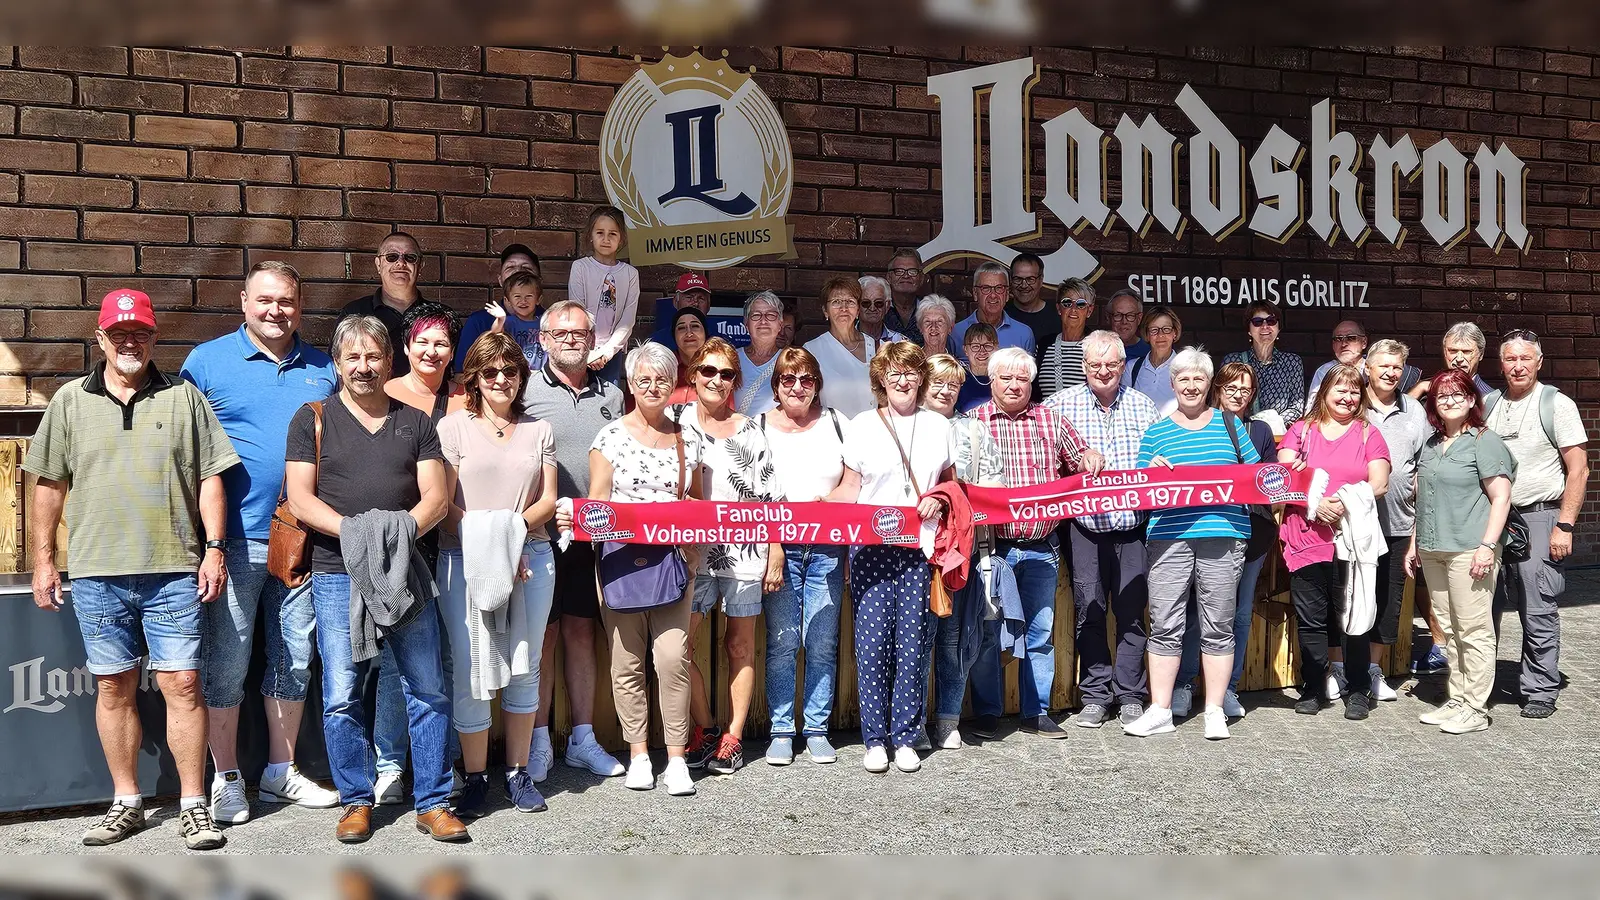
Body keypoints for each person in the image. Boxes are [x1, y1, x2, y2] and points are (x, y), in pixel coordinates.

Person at [26, 289, 240, 850]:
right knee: (114, 687)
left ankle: (194, 804)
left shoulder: (184, 398)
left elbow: (209, 477)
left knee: (184, 684)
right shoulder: (69, 402)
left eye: (140, 333)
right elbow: (48, 484)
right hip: (97, 572)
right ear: (100, 338)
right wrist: (44, 560)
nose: (130, 342)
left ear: (153, 337)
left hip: (174, 568)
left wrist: (215, 547)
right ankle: (127, 801)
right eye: (118, 333)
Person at [283, 315, 465, 844]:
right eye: (352, 358)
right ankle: (356, 800)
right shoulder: (311, 418)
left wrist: (395, 534)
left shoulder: (417, 421)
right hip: (337, 572)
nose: (363, 367)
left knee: (426, 686)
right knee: (343, 691)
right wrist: (359, 535)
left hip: (408, 571)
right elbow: (300, 497)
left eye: (373, 357)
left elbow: (435, 498)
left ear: (390, 361)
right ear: (337, 364)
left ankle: (433, 802)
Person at [180, 262, 340, 826]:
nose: (277, 311)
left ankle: (280, 770)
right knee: (226, 661)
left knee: (295, 657)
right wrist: (206, 541)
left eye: (288, 302)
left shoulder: (324, 367)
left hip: (303, 538)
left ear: (301, 305)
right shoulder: (206, 362)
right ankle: (225, 778)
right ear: (243, 300)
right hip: (233, 540)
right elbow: (184, 450)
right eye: (265, 300)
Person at [566, 342, 705, 796]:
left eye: (661, 379)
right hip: (620, 562)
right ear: (630, 384)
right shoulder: (608, 438)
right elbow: (599, 502)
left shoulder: (690, 438)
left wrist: (693, 550)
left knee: (672, 660)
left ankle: (678, 757)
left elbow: (699, 504)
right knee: (626, 663)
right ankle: (640, 754)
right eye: (643, 379)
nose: (652, 387)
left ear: (673, 384)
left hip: (674, 563)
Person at [434, 332, 559, 816]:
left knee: (525, 666)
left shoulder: (539, 430)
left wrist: (511, 537)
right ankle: (477, 776)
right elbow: (446, 505)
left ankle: (518, 772)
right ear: (475, 378)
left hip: (532, 558)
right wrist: (496, 544)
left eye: (510, 371)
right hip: (463, 560)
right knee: (470, 671)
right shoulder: (453, 429)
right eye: (491, 372)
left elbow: (547, 500)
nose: (502, 379)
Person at [828, 342, 954, 774]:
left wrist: (939, 499)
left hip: (920, 550)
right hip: (871, 551)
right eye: (894, 372)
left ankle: (905, 737)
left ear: (921, 379)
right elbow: (849, 488)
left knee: (913, 646)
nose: (903, 380)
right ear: (881, 378)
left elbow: (952, 486)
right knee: (872, 645)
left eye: (911, 372)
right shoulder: (863, 425)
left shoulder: (939, 426)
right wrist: (811, 509)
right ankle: (875, 739)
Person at [969, 348, 1102, 740]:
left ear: (1031, 383)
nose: (1014, 385)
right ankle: (988, 714)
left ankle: (1036, 712)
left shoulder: (1051, 419)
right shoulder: (972, 423)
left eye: (1021, 379)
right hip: (993, 549)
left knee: (1041, 632)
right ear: (990, 381)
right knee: (989, 632)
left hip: (1042, 545)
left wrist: (1090, 456)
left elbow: (1081, 457)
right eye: (1006, 378)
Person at [1125, 347, 1258, 741]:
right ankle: (1160, 710)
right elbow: (1138, 489)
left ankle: (1214, 709)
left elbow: (1256, 479)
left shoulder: (1231, 425)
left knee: (1218, 625)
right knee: (1165, 624)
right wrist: (1149, 472)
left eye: (1199, 378)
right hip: (1169, 538)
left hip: (1224, 534)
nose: (1191, 385)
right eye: (1183, 378)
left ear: (1208, 384)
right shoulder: (1157, 432)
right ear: (1173, 384)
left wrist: (1293, 477)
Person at [521, 301, 629, 781]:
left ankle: (582, 738)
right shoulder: (522, 389)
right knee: (542, 636)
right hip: (538, 535)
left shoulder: (614, 391)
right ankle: (539, 738)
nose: (571, 339)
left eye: (580, 332)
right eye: (561, 332)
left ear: (592, 339)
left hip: (592, 537)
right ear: (543, 339)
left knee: (582, 633)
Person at [674, 338, 783, 775]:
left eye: (726, 374)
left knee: (739, 645)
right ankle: (704, 729)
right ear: (693, 375)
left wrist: (775, 550)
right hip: (691, 552)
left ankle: (733, 738)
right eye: (708, 371)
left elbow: (772, 496)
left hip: (745, 551)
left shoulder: (752, 430)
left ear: (735, 380)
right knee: (679, 646)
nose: (717, 380)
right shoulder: (674, 424)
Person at [372, 300, 465, 802]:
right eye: (422, 341)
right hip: (395, 546)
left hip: (447, 544)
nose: (432, 350)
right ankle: (390, 764)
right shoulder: (381, 394)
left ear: (453, 351)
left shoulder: (462, 399)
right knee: (394, 661)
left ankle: (443, 761)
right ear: (406, 347)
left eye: (442, 342)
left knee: (445, 657)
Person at [1047, 331, 1160, 728]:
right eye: (1095, 365)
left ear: (1123, 365)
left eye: (1112, 364)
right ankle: (1095, 694)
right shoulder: (1060, 405)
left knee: (1131, 613)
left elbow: (1159, 461)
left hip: (1133, 527)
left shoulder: (1145, 407)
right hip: (1085, 527)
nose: (1104, 371)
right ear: (1083, 367)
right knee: (1089, 611)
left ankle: (1130, 694)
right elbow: (1047, 460)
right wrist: (1075, 459)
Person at [1278, 363, 1392, 722]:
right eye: (1339, 390)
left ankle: (1357, 690)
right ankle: (1313, 688)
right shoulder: (1301, 431)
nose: (1347, 397)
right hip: (1306, 537)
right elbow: (1282, 477)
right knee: (1312, 619)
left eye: (1354, 391)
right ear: (1324, 392)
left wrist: (1343, 500)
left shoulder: (1367, 434)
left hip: (1352, 541)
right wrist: (1316, 503)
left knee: (1354, 615)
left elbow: (1380, 483)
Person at [1486, 329, 1589, 719]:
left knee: (1537, 608)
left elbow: (1577, 469)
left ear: (1538, 362)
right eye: (1510, 359)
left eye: (1525, 358)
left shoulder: (1556, 404)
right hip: (1494, 521)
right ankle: (1482, 683)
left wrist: (1565, 524)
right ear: (1501, 364)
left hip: (1539, 515)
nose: (1518, 366)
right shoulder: (1491, 403)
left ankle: (1540, 688)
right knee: (1486, 607)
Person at [1406, 369, 1514, 734]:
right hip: (1433, 548)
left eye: (1457, 394)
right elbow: (1423, 498)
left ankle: (1476, 708)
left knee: (1474, 629)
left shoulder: (1485, 441)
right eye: (1441, 396)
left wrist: (1487, 546)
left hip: (1470, 548)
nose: (1449, 400)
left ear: (1471, 399)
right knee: (1448, 629)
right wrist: (1413, 544)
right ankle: (1458, 697)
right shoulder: (1433, 444)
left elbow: (1501, 497)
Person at [1169, 360, 1278, 720]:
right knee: (1195, 612)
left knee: (1240, 613)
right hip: (1207, 529)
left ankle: (1227, 687)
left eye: (1245, 389)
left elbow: (1269, 478)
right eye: (1231, 387)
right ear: (1218, 389)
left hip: (1252, 530)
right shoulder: (1206, 424)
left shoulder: (1260, 431)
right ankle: (1186, 683)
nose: (1238, 395)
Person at [759, 348, 850, 765]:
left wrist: (830, 500)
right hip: (779, 548)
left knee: (822, 641)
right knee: (782, 641)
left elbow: (856, 476)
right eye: (788, 379)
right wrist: (774, 545)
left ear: (817, 384)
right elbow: (754, 491)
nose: (798, 387)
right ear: (776, 386)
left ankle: (816, 728)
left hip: (828, 548)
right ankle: (781, 729)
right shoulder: (757, 425)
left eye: (807, 379)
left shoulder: (836, 422)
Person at [921, 354, 1005, 750]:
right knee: (916, 640)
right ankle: (913, 720)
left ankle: (947, 720)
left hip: (963, 550)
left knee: (956, 638)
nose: (944, 390)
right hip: (915, 549)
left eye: (953, 385)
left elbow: (994, 486)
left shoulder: (974, 430)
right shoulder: (907, 426)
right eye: (938, 382)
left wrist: (963, 507)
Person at [1360, 340, 1433, 703]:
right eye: (1383, 366)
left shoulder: (1414, 410)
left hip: (1400, 523)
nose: (1390, 372)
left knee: (1388, 603)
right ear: (1368, 369)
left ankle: (1374, 670)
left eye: (1397, 367)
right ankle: (1344, 670)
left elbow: (1423, 463)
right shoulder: (1351, 403)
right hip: (1354, 526)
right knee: (1351, 598)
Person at [567, 205, 639, 386]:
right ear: (590, 236)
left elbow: (627, 319)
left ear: (621, 239)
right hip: (582, 349)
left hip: (612, 352)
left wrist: (607, 352)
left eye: (613, 234)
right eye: (600, 233)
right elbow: (577, 312)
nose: (606, 239)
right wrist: (588, 351)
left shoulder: (630, 274)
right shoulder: (580, 268)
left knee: (609, 403)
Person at [335, 232, 425, 375]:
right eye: (391, 257)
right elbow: (339, 370)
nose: (400, 263)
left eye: (410, 257)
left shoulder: (437, 316)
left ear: (420, 265)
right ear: (378, 264)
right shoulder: (353, 313)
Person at [804, 276, 880, 417]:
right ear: (825, 311)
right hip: (832, 433)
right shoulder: (811, 350)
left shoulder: (876, 347)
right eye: (836, 302)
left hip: (870, 433)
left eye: (850, 302)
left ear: (857, 311)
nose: (843, 308)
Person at [1221, 300, 1305, 427]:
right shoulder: (1232, 360)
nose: (1265, 326)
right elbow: (1222, 402)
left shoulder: (1292, 362)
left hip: (1277, 438)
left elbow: (1296, 408)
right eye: (1257, 322)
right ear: (1248, 330)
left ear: (1278, 327)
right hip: (1240, 432)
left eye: (1271, 321)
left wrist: (1268, 424)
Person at [454, 270, 544, 373]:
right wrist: (500, 319)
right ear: (507, 301)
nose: (523, 301)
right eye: (517, 296)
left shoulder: (545, 322)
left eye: (529, 296)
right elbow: (495, 334)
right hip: (514, 375)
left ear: (538, 299)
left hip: (539, 375)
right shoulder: (509, 322)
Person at [953, 261, 1035, 361]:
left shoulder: (1024, 334)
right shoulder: (956, 332)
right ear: (975, 293)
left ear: (1007, 294)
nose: (993, 295)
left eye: (999, 288)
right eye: (986, 288)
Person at [1037, 277, 1095, 398]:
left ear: (1089, 311)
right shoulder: (1044, 345)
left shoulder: (1096, 345)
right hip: (1046, 415)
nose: (1073, 309)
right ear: (1059, 308)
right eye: (1067, 303)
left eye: (1081, 304)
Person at [1120, 305, 1181, 417]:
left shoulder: (1184, 368)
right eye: (1154, 330)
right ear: (1147, 335)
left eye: (1166, 329)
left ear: (1175, 333)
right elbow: (1124, 407)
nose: (1160, 335)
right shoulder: (1132, 368)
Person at [1409, 321, 1493, 401]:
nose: (1459, 359)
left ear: (1481, 354)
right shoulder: (1426, 392)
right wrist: (1420, 387)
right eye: (1453, 351)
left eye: (1466, 352)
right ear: (1445, 352)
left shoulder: (1490, 398)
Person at [735, 291, 785, 416]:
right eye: (756, 315)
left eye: (771, 315)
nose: (763, 321)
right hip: (737, 433)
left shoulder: (790, 361)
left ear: (780, 324)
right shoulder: (731, 358)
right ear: (746, 324)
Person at [1005, 252, 1057, 360]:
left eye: (1030, 279)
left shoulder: (1058, 316)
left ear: (1041, 280)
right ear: (1010, 280)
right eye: (1018, 279)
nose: (1024, 285)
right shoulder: (1001, 314)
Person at [647, 271, 713, 352]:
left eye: (701, 298)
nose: (695, 303)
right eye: (689, 297)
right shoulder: (657, 343)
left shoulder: (720, 342)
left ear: (709, 305)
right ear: (675, 302)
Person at [884, 247, 927, 345]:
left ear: (921, 278)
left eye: (912, 271)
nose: (906, 276)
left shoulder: (930, 312)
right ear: (889, 277)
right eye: (899, 271)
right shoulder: (878, 309)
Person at [668, 307, 708, 405]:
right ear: (674, 336)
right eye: (681, 328)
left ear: (705, 333)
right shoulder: (664, 367)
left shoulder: (718, 368)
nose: (689, 333)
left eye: (695, 326)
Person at [955, 322, 998, 413]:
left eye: (988, 346)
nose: (982, 351)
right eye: (975, 346)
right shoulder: (958, 380)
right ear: (965, 350)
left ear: (996, 348)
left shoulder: (1003, 378)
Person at [858, 275, 909, 343]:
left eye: (878, 303)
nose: (872, 308)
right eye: (866, 303)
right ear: (857, 306)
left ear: (887, 306)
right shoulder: (843, 343)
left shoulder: (900, 342)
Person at [1105, 289, 1149, 362]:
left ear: (1139, 318)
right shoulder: (1097, 350)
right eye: (1118, 315)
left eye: (1130, 315)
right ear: (1108, 318)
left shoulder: (1150, 353)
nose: (1124, 321)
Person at [915, 294, 957, 360]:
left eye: (940, 321)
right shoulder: (910, 365)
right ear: (920, 327)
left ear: (950, 327)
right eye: (927, 321)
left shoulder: (957, 368)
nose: (933, 327)